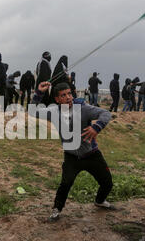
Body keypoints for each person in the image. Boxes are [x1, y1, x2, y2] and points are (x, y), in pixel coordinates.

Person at [31, 81, 113, 221]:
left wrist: (96, 127)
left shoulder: (83, 108)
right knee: (65, 184)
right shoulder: (53, 112)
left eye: (69, 93)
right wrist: (39, 92)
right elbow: (33, 111)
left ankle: (99, 201)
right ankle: (56, 209)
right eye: (63, 95)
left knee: (107, 182)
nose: (68, 97)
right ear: (57, 100)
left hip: (92, 155)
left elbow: (106, 113)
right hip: (71, 157)